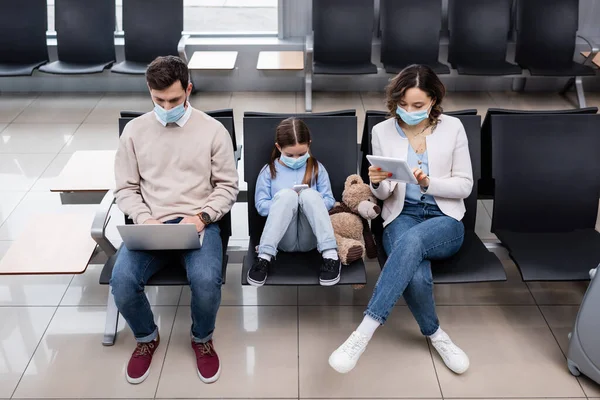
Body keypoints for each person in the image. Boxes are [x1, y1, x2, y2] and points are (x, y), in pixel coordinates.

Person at [329, 64, 473, 375]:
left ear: (433, 100)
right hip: (401, 216)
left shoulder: (453, 128)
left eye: (417, 105)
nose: (408, 111)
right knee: (416, 274)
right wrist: (378, 182)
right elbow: (382, 196)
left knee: (413, 241)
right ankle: (436, 334)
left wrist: (428, 183)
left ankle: (363, 332)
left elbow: (465, 185)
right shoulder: (381, 131)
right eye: (402, 105)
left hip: (444, 219)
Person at [111, 56, 238, 385]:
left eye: (175, 100)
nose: (166, 106)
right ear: (149, 91)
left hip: (198, 224)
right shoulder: (134, 132)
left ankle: (201, 338)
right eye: (158, 99)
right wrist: (143, 217)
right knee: (121, 283)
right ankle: (146, 337)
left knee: (207, 282)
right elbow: (125, 188)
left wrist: (202, 217)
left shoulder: (213, 131)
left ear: (189, 90)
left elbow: (227, 186)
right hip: (150, 225)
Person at [247, 117, 341, 287]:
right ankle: (264, 258)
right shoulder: (269, 171)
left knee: (310, 195)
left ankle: (331, 256)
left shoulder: (317, 168)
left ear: (309, 145)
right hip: (282, 239)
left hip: (311, 238)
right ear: (278, 147)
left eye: (301, 154)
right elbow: (261, 207)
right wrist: (286, 201)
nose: (296, 159)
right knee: (286, 195)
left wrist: (306, 199)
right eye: (290, 155)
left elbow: (329, 200)